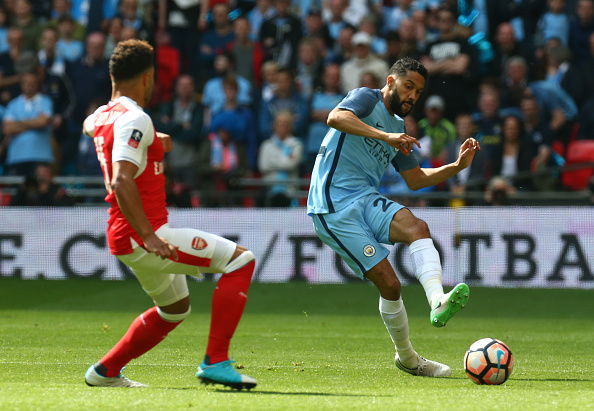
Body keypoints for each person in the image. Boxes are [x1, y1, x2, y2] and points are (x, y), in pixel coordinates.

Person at [82, 39, 257, 390]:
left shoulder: (101, 117)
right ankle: (216, 361)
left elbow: (93, 127)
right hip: (143, 235)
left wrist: (153, 141)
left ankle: (104, 371)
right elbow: (121, 179)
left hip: (122, 236)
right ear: (148, 78)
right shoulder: (135, 118)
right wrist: (149, 236)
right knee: (242, 261)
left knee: (174, 308)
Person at [307, 57, 480, 377]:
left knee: (418, 227)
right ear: (390, 82)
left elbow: (414, 178)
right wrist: (384, 137)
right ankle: (409, 359)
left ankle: (438, 300)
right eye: (408, 86)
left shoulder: (399, 127)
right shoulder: (366, 97)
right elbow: (335, 117)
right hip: (333, 205)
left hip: (365, 198)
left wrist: (456, 167)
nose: (413, 96)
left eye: (418, 91)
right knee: (390, 284)